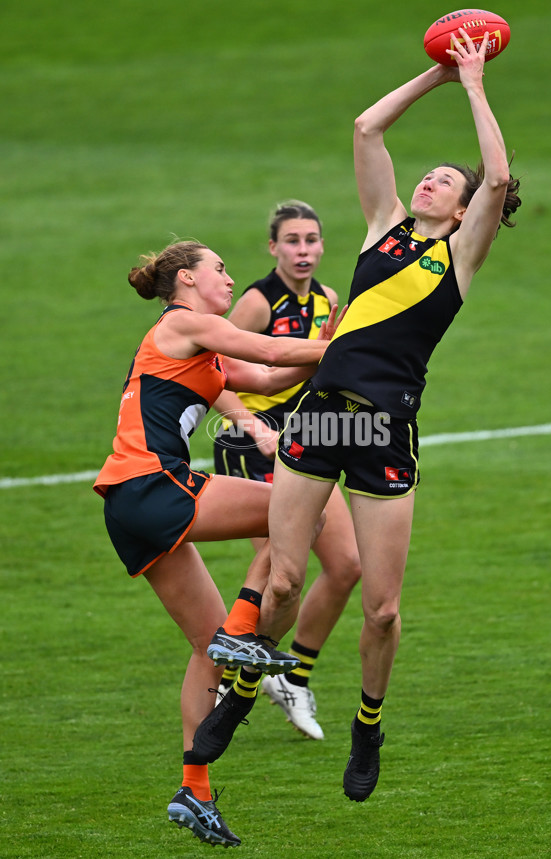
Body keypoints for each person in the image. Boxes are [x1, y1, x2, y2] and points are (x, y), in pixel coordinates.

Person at [195, 29, 522, 802]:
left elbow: (499, 176)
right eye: (432, 176)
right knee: (278, 583)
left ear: (465, 207)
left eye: (446, 181)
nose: (431, 182)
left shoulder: (459, 258)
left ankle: (367, 723)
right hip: (321, 419)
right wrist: (435, 77)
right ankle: (240, 699)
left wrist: (475, 85)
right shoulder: (383, 228)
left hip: (383, 434)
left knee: (380, 607)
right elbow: (366, 128)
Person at [93, 239, 342, 847]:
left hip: (128, 506)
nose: (230, 280)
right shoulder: (186, 324)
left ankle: (194, 789)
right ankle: (244, 631)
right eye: (219, 270)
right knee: (298, 512)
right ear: (185, 281)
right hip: (155, 485)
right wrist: (356, 345)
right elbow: (268, 346)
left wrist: (335, 344)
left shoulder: (198, 343)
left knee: (208, 649)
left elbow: (269, 374)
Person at [210, 201, 361, 741]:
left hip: (304, 440)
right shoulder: (255, 302)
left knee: (347, 565)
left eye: (312, 240)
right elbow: (212, 371)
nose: (303, 250)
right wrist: (253, 427)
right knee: (281, 578)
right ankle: (239, 677)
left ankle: (294, 675)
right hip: (249, 442)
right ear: (273, 247)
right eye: (292, 240)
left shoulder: (327, 300)